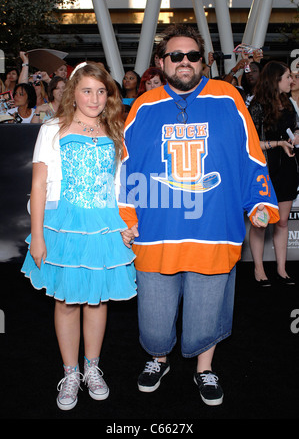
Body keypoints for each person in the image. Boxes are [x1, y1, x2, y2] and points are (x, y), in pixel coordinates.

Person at [118, 24, 279, 406]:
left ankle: (205, 368)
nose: (185, 62)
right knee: (155, 321)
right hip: (157, 231)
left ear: (203, 61)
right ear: (161, 62)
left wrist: (259, 202)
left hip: (214, 228)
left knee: (207, 315)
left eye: (193, 56)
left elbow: (251, 154)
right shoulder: (143, 105)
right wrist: (126, 217)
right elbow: (125, 166)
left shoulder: (228, 96)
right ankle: (158, 359)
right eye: (176, 56)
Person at [21, 61, 136, 411]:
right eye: (87, 90)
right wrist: (37, 236)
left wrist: (127, 223)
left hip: (104, 224)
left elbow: (121, 185)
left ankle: (92, 369)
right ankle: (70, 373)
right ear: (74, 92)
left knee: (97, 299)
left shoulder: (116, 130)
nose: (95, 97)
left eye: (101, 91)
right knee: (67, 301)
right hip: (65, 224)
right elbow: (38, 184)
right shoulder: (53, 128)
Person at [249, 61, 298, 286]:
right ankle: (259, 269)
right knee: (261, 222)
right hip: (264, 171)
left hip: (287, 168)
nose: (292, 81)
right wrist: (278, 143)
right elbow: (251, 143)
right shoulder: (257, 106)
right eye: (288, 77)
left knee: (282, 222)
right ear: (276, 80)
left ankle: (281, 268)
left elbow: (295, 128)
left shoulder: (288, 103)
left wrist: (295, 136)